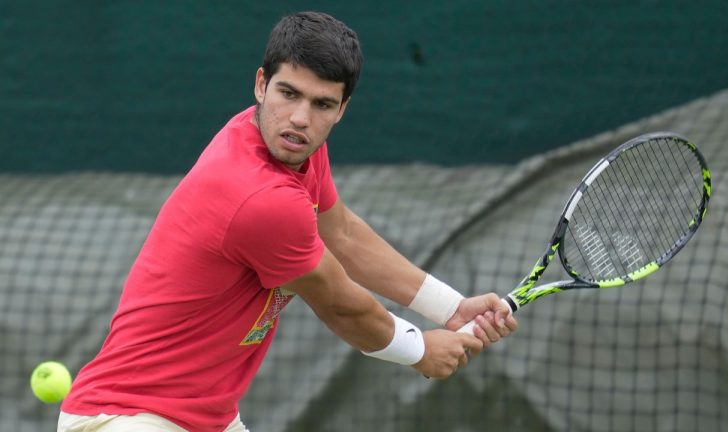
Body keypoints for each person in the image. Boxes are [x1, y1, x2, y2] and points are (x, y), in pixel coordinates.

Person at [58, 11, 517, 432]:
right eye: (288, 93)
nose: (300, 118)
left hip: (201, 417)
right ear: (261, 84)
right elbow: (342, 306)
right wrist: (420, 350)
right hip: (128, 418)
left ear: (342, 109)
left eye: (321, 104)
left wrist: (451, 308)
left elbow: (342, 235)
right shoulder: (261, 197)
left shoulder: (296, 150)